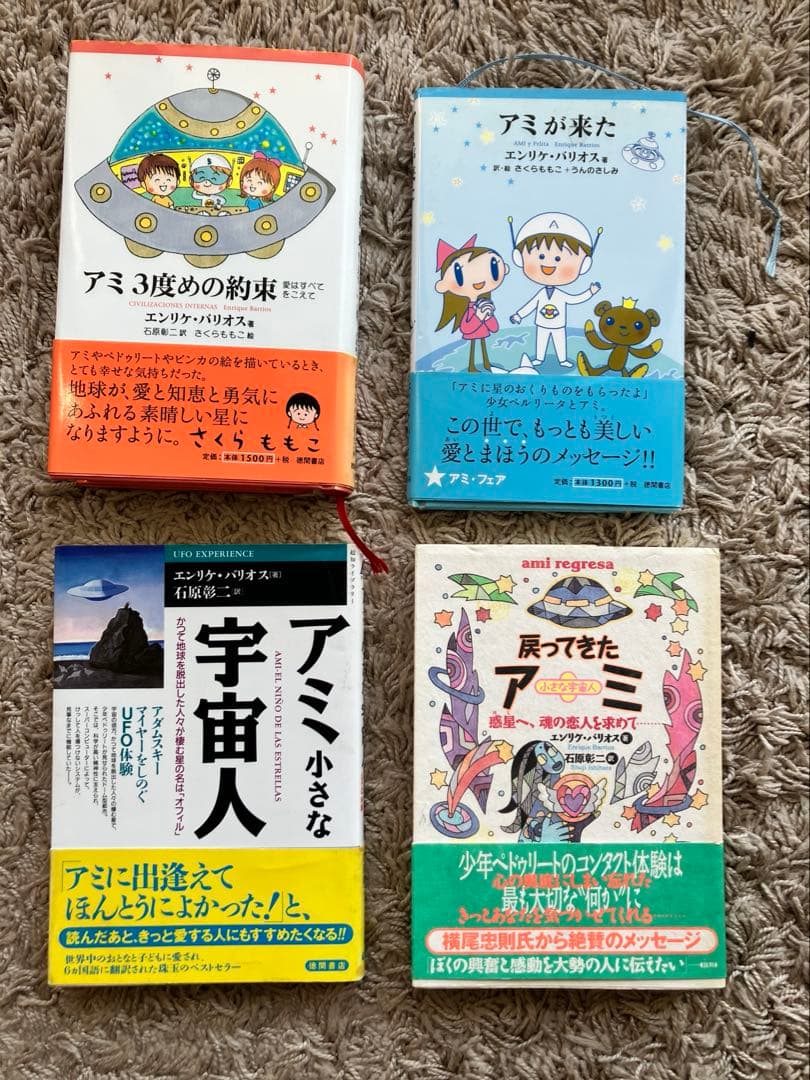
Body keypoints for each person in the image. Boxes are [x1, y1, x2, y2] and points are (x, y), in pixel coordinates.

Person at [509, 212, 602, 370]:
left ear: (584, 265)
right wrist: (519, 315)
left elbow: (575, 299)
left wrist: (590, 292)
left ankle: (562, 360)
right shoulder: (541, 294)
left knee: (560, 341)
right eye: (541, 256)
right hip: (542, 323)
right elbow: (531, 305)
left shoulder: (560, 295)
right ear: (519, 258)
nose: (548, 265)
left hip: (558, 324)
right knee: (541, 340)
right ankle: (539, 358)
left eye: (558, 259)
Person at [434, 233, 509, 373]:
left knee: (483, 346)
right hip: (474, 333)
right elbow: (466, 328)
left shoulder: (485, 304)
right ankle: (472, 366)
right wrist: (479, 317)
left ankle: (486, 363)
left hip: (483, 331)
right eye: (460, 276)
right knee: (473, 347)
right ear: (443, 285)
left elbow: (494, 328)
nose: (479, 280)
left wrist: (488, 316)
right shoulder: (468, 309)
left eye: (492, 268)